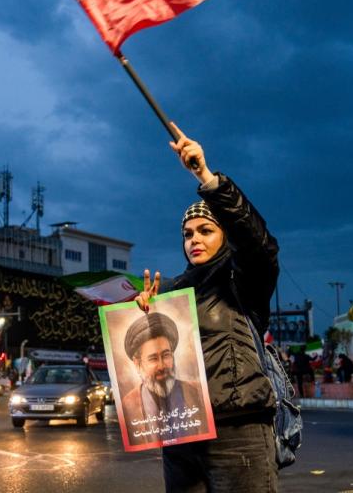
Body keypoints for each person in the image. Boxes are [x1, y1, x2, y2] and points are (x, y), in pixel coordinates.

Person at [134, 122, 279, 493]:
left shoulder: (242, 280)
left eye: (205, 230)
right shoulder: (171, 292)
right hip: (182, 433)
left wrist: (207, 177)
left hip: (238, 433)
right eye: (187, 233)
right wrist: (144, 318)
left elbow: (259, 244)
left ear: (225, 235)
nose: (194, 239)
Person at [119, 312, 210, 445]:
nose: (162, 366)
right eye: (153, 359)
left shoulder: (198, 392)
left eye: (166, 355)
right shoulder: (127, 406)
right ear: (137, 364)